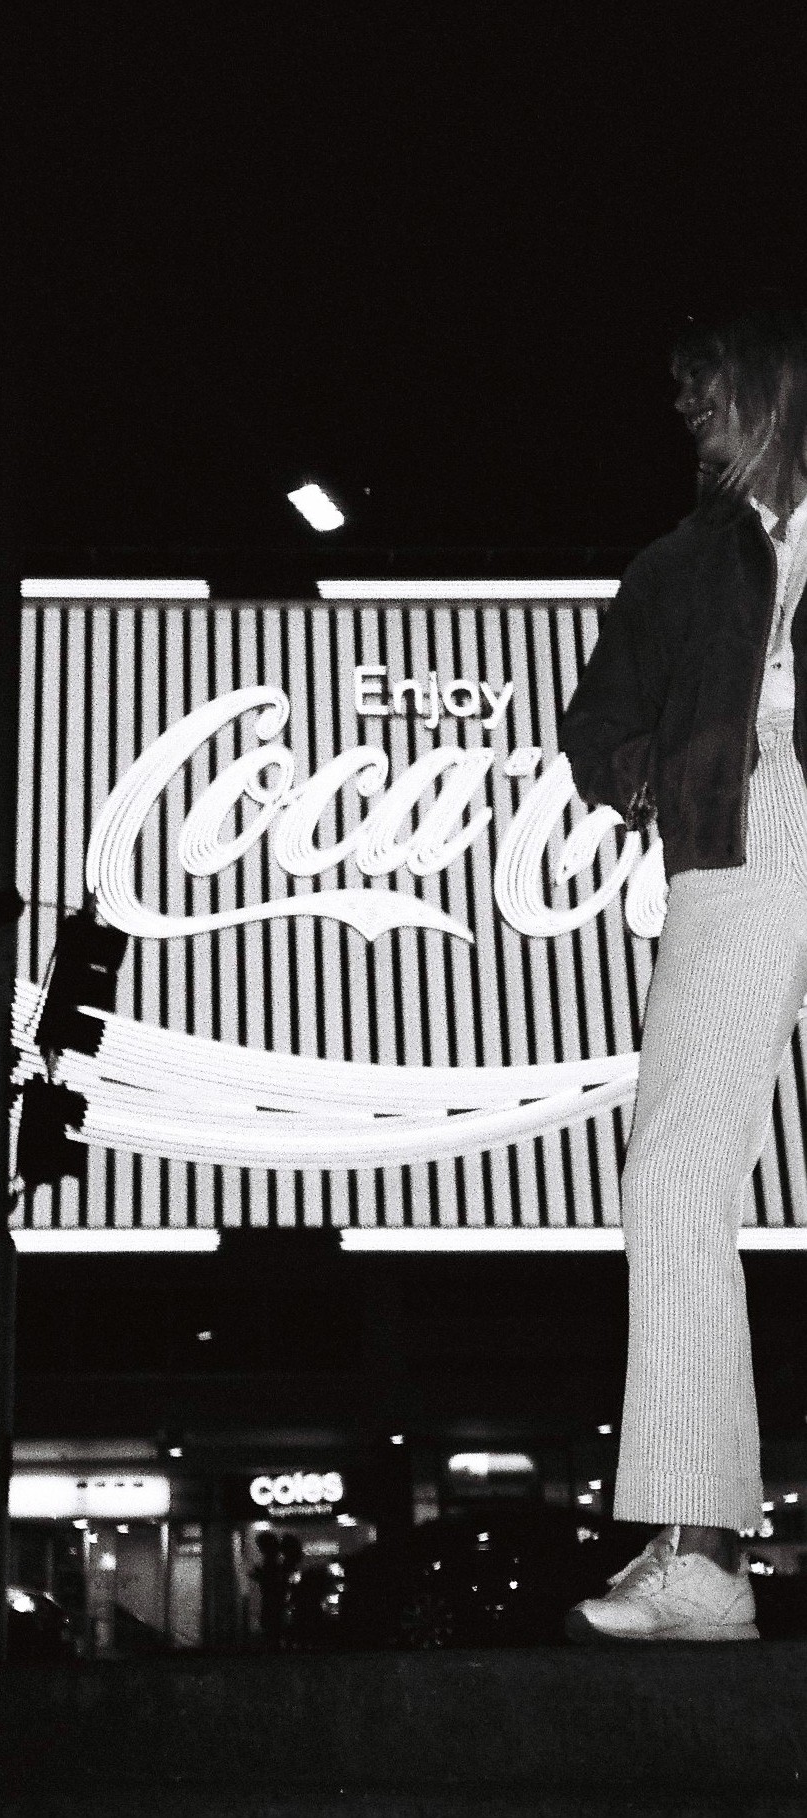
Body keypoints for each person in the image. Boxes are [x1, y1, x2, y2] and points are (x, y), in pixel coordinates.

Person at [558, 289, 807, 1643]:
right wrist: (642, 766)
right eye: (680, 393)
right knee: (672, 1169)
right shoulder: (677, 567)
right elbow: (595, 719)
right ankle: (698, 1545)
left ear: (772, 379)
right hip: (747, 826)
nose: (688, 410)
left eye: (705, 381)